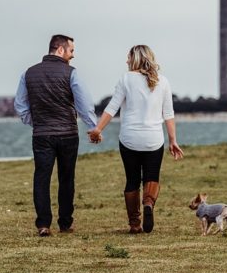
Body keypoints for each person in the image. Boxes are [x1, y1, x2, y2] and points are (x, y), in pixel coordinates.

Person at [88, 45, 183, 234]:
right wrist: (173, 141)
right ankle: (148, 202)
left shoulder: (126, 79)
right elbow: (168, 114)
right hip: (154, 140)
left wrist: (98, 129)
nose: (126, 61)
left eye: (128, 57)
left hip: (129, 139)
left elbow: (112, 107)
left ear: (135, 59)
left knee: (132, 180)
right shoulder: (162, 81)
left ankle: (134, 223)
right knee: (152, 176)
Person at [15, 34, 99, 237]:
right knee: (66, 178)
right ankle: (65, 223)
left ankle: (43, 224)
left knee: (41, 178)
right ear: (60, 50)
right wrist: (93, 127)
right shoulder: (71, 73)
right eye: (71, 51)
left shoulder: (28, 73)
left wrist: (37, 121)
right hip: (68, 134)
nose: (73, 56)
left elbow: (20, 106)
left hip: (42, 134)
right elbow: (84, 104)